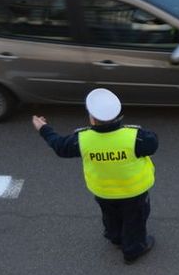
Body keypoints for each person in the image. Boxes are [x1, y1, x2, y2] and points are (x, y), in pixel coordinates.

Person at [32, 89, 158, 264]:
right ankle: (132, 250)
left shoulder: (82, 140)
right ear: (118, 115)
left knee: (110, 216)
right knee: (134, 220)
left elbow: (60, 146)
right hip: (134, 193)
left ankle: (115, 237)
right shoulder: (136, 137)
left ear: (92, 118)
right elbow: (153, 143)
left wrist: (43, 128)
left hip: (103, 192)